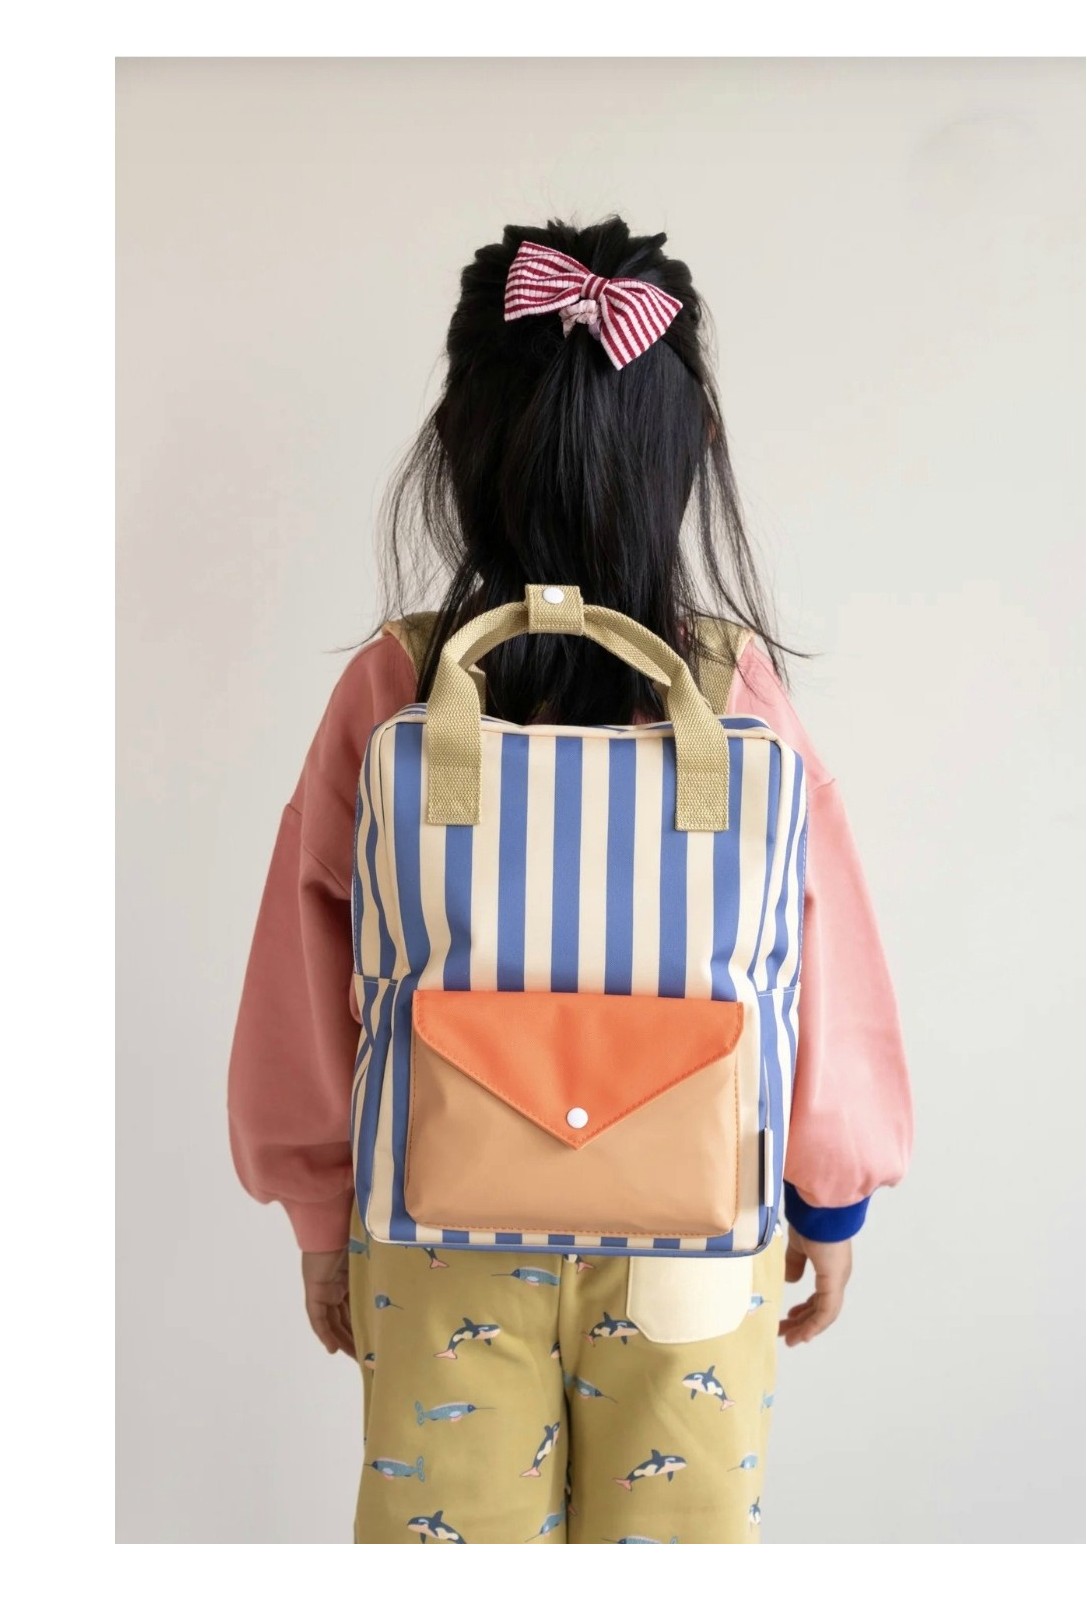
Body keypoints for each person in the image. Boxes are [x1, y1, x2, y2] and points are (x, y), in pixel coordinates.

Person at [228, 218, 912, 1545]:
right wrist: (828, 1196)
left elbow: (298, 975)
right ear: (688, 449)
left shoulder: (395, 686)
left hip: (435, 1227)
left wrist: (320, 1206)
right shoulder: (735, 688)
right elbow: (822, 951)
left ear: (460, 440)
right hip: (697, 1224)